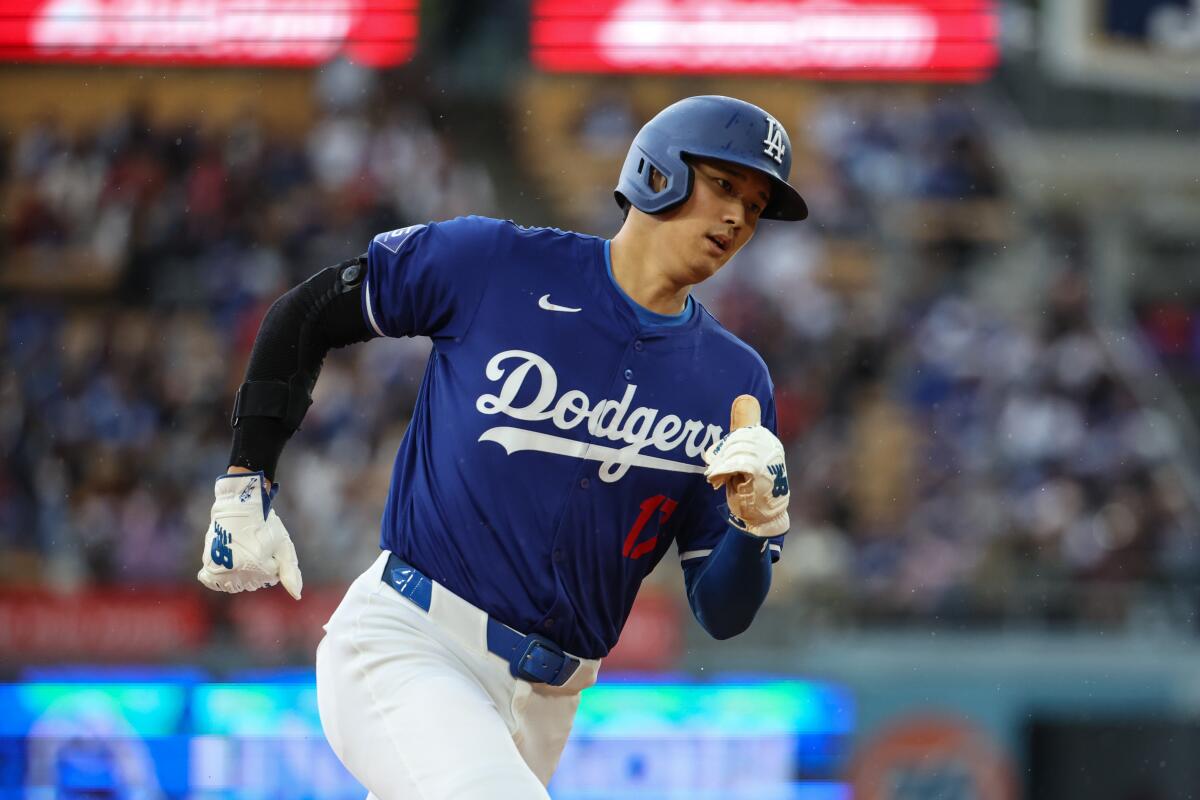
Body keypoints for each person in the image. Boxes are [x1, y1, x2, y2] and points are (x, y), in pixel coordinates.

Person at [197, 95, 807, 799]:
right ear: (656, 171)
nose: (737, 218)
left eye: (755, 207)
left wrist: (755, 526)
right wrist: (245, 480)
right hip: (413, 641)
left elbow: (723, 613)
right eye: (725, 185)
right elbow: (307, 312)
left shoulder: (735, 381)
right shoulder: (497, 262)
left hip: (550, 705)